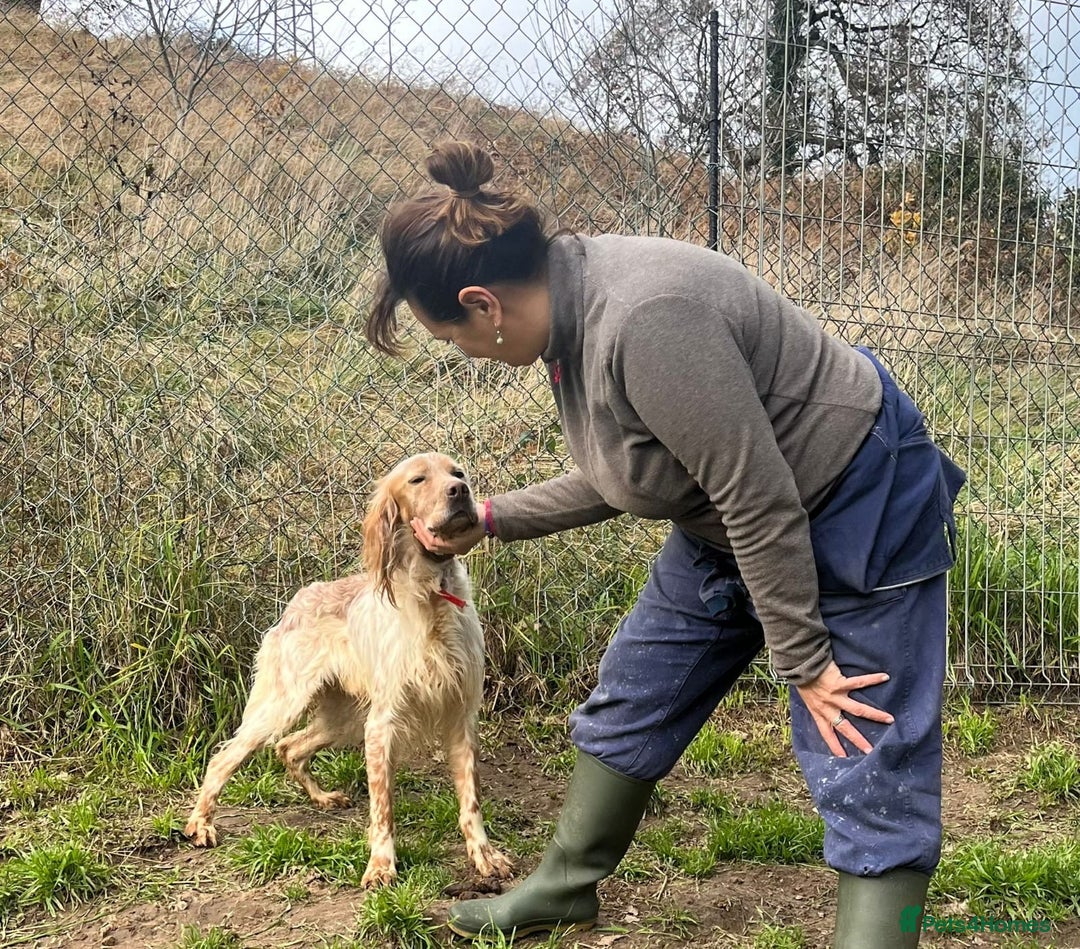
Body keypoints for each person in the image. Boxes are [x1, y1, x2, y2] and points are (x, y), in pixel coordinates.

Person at [365, 140, 966, 948]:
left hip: (857, 494)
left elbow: (760, 494)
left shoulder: (646, 322)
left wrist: (806, 660)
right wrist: (496, 516)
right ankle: (563, 888)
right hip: (731, 516)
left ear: (483, 303)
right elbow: (640, 473)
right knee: (636, 687)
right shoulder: (569, 320)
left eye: (451, 337)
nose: (462, 352)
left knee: (862, 740)